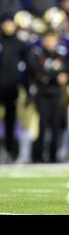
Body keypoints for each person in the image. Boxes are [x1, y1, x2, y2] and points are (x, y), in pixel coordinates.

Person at [28, 29, 69, 162]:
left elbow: (67, 72)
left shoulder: (61, 55)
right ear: (43, 40)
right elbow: (38, 75)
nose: (50, 42)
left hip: (57, 95)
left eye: (53, 39)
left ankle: (53, 156)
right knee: (41, 126)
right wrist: (54, 77)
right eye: (47, 39)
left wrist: (50, 76)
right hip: (42, 94)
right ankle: (37, 156)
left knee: (56, 126)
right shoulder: (37, 54)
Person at [0, 16, 27, 162]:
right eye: (6, 24)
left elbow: (26, 67)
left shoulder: (20, 44)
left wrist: (25, 86)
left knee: (11, 121)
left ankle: (11, 151)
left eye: (11, 24)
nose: (8, 26)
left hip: (12, 88)